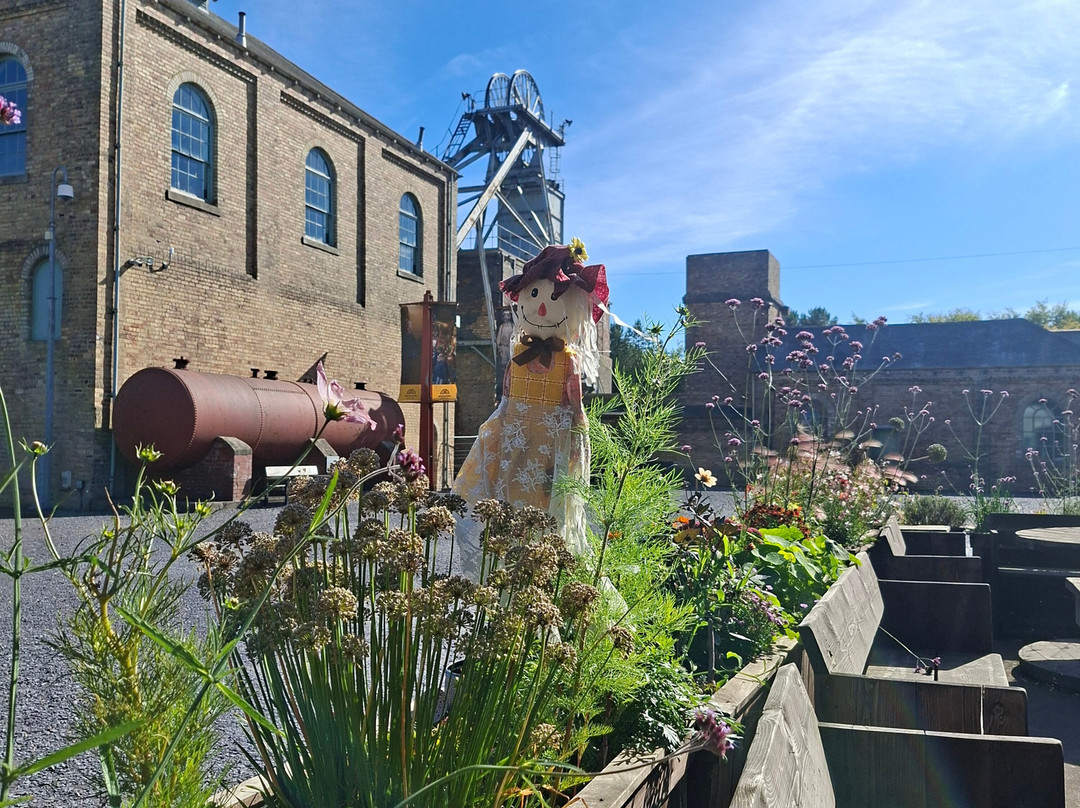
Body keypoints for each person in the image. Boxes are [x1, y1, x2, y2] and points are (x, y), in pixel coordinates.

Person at [452, 240, 608, 572]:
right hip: (513, 443)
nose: (540, 308)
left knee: (543, 515)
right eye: (534, 296)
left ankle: (538, 569)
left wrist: (579, 443)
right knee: (508, 508)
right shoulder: (517, 357)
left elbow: (576, 410)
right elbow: (505, 402)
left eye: (553, 299)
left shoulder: (568, 363)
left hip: (550, 449)